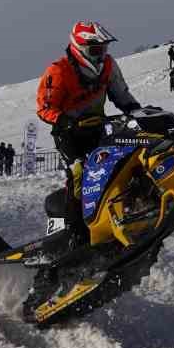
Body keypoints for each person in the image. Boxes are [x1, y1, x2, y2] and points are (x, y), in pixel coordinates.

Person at [36, 21, 143, 244]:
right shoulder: (59, 71)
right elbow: (44, 108)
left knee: (123, 163)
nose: (101, 54)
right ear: (80, 48)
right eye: (96, 49)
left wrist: (138, 113)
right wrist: (64, 120)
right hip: (69, 135)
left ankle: (130, 211)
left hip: (99, 128)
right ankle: (72, 232)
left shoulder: (109, 66)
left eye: (104, 49)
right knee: (79, 175)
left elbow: (121, 95)